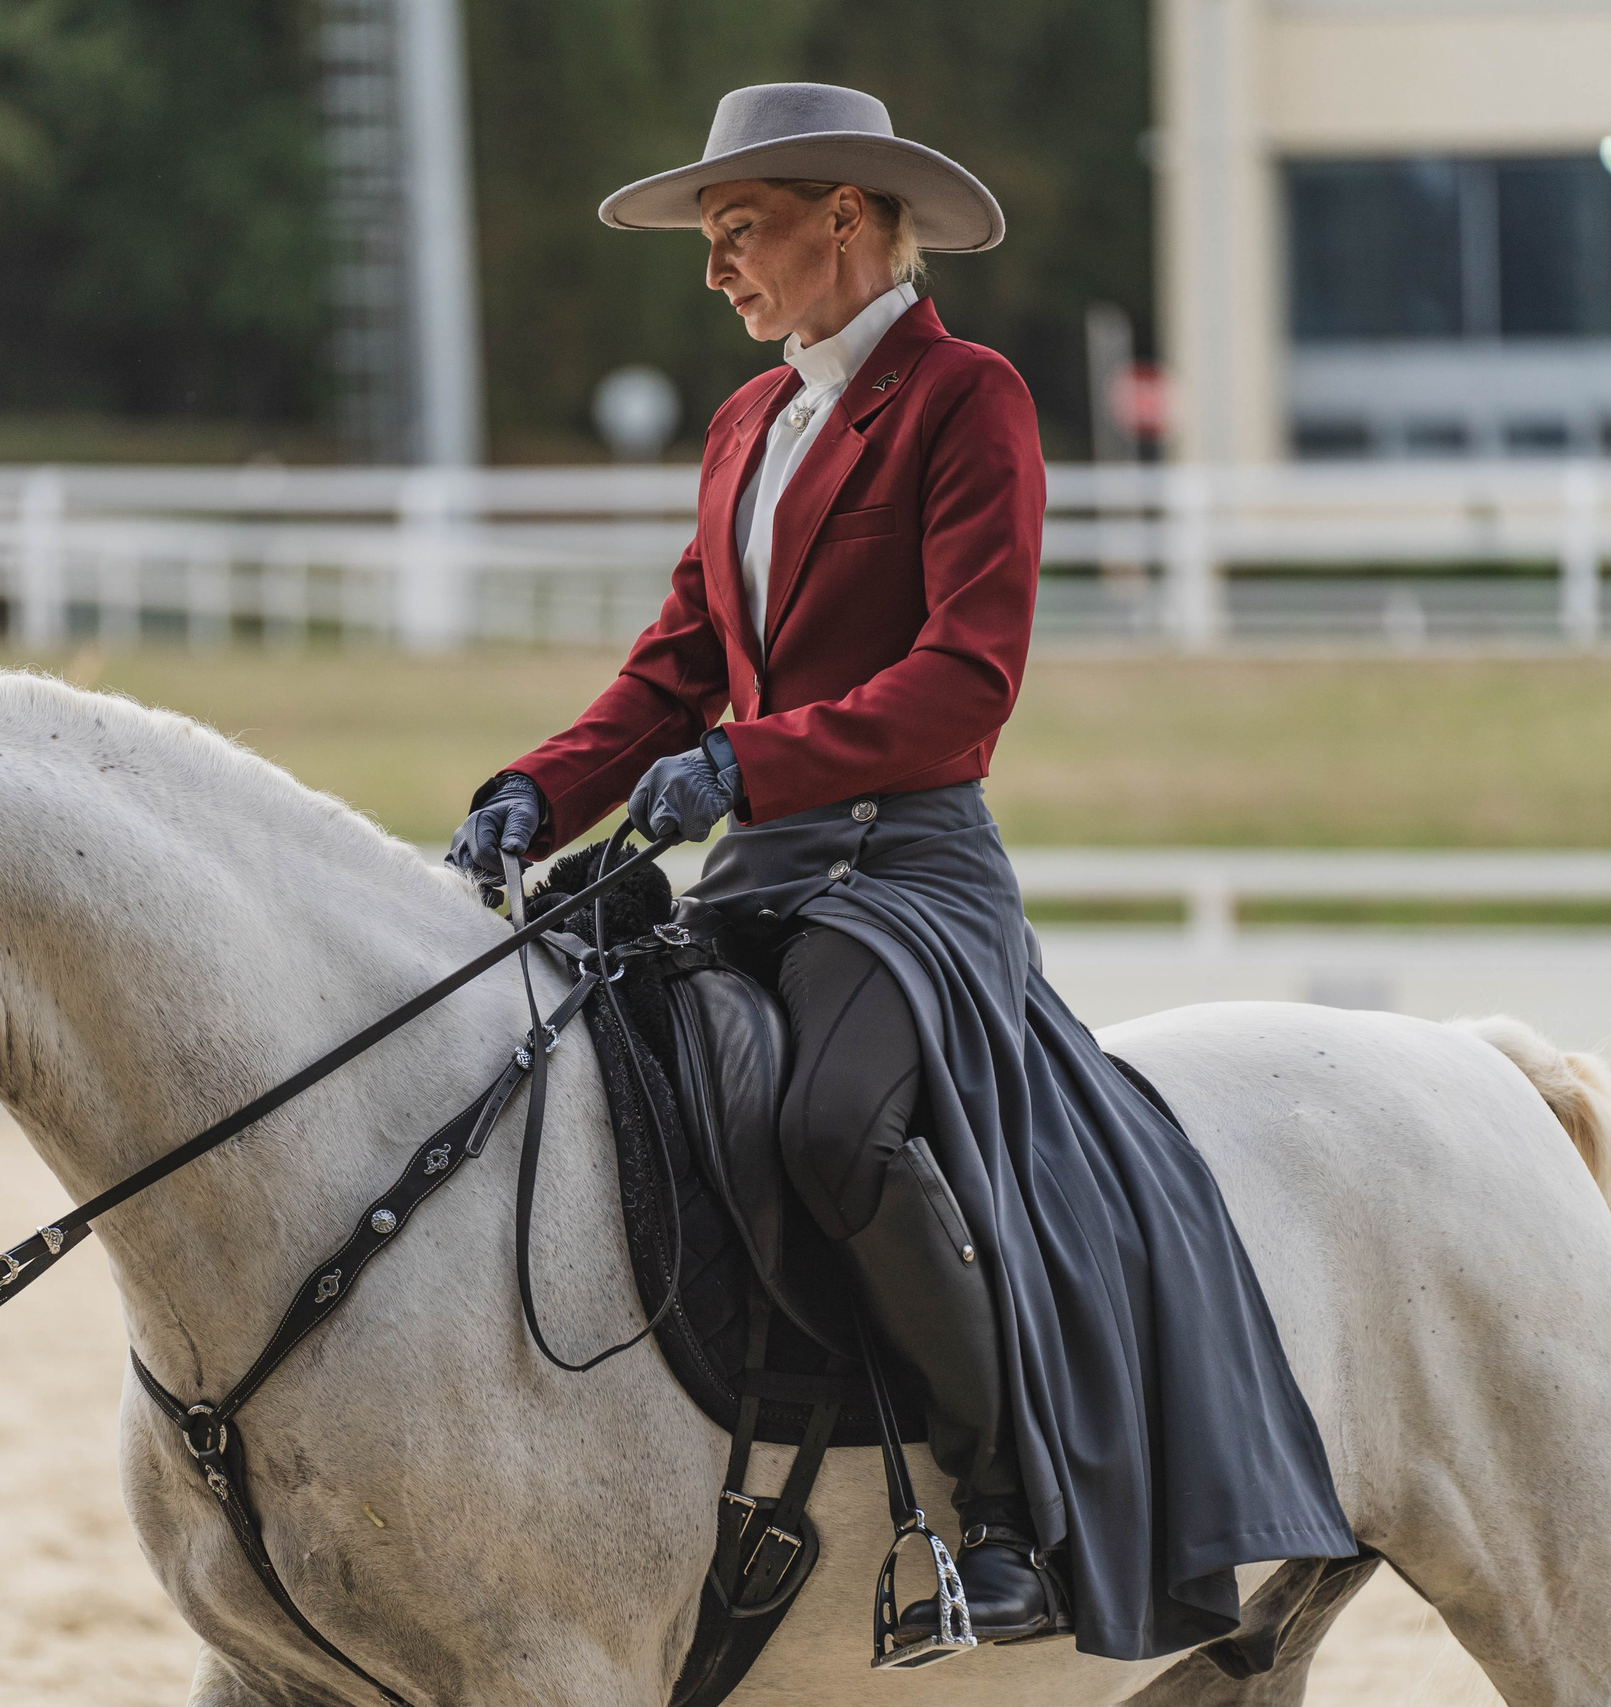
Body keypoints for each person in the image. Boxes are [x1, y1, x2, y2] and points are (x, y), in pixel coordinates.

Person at [449, 83, 1356, 1660]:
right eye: (715, 241)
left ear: (846, 220)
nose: (717, 270)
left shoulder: (965, 397)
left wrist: (755, 762)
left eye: (741, 234)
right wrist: (536, 788)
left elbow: (966, 678)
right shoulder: (748, 425)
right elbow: (674, 669)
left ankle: (999, 1500)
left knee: (828, 1124)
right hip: (761, 867)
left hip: (906, 865)